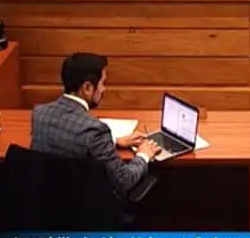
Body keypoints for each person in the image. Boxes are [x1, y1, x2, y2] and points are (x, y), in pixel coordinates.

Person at [31, 53, 162, 197]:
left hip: (46, 200)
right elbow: (124, 180)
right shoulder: (95, 131)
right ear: (87, 87)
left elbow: (69, 140)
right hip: (85, 204)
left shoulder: (39, 113)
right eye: (102, 83)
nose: (103, 89)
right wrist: (143, 155)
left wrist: (114, 141)